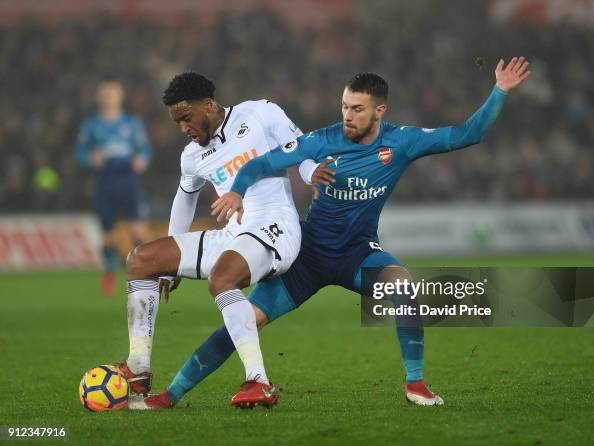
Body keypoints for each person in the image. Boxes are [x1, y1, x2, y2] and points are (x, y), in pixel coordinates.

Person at [133, 57, 531, 409]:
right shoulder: (322, 140)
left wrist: (499, 91)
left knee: (404, 286)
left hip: (357, 253)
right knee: (243, 320)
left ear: (379, 111)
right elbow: (262, 163)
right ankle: (172, 394)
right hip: (307, 255)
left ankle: (416, 383)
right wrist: (236, 190)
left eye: (357, 109)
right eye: (344, 106)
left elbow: (467, 134)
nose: (347, 115)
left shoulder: (402, 141)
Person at [121, 72, 304, 408]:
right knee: (141, 260)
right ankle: (138, 368)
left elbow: (303, 148)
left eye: (186, 118)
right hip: (234, 234)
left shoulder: (260, 114)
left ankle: (258, 381)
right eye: (177, 123)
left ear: (207, 105)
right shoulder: (192, 156)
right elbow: (185, 198)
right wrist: (171, 264)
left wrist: (313, 175)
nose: (183, 129)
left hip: (276, 228)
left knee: (222, 277)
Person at [75, 81, 151, 295]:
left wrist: (142, 160)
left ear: (120, 98)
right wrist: (90, 159)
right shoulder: (92, 125)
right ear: (100, 99)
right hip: (104, 181)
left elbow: (144, 149)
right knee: (108, 234)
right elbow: (80, 154)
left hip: (127, 179)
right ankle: (109, 273)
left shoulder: (131, 123)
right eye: (106, 95)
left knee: (138, 228)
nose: (109, 99)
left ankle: (150, 269)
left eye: (113, 95)